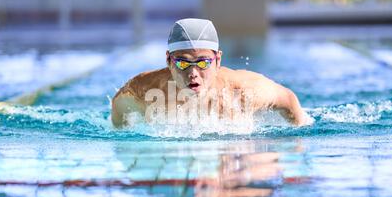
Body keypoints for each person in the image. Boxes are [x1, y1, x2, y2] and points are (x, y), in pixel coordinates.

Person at [112, 18, 308, 127]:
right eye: (183, 63)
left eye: (204, 63)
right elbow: (118, 107)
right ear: (168, 61)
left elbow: (288, 99)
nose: (193, 73)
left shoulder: (245, 91)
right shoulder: (145, 88)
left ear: (218, 60)